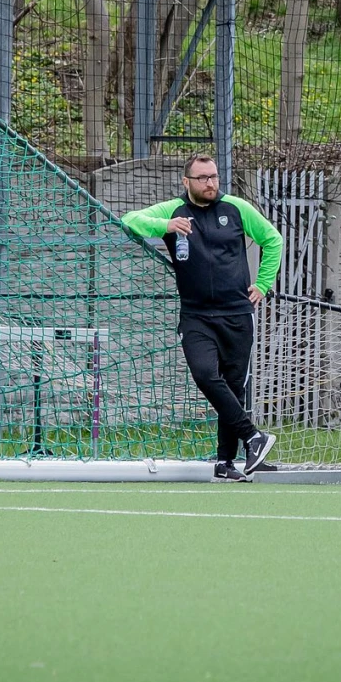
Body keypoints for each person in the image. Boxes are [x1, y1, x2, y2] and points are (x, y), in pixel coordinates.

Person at [122, 154, 284, 482]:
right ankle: (253, 436)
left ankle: (225, 463)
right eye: (202, 178)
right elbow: (129, 220)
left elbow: (273, 239)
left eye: (214, 177)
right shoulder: (174, 211)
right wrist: (165, 226)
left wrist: (263, 284)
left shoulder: (236, 208)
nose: (210, 183)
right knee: (206, 375)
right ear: (187, 182)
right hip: (196, 315)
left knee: (234, 387)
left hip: (237, 314)